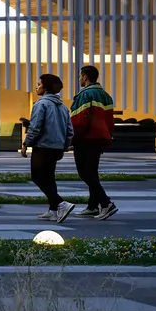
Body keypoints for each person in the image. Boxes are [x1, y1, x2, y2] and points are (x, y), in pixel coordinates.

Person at [24, 73, 76, 222]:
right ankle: (53, 210)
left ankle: (61, 203)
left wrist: (26, 143)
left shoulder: (41, 104)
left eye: (39, 84)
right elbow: (69, 131)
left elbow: (35, 127)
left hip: (43, 146)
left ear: (45, 87)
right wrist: (63, 147)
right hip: (56, 147)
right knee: (49, 178)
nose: (36, 87)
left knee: (37, 177)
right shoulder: (63, 107)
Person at [70, 65, 118, 220]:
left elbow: (80, 121)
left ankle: (106, 203)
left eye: (80, 76)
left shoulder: (84, 95)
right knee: (92, 172)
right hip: (99, 140)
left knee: (85, 173)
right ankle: (92, 206)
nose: (79, 79)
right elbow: (110, 121)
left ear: (85, 77)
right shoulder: (106, 95)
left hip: (85, 139)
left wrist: (72, 138)